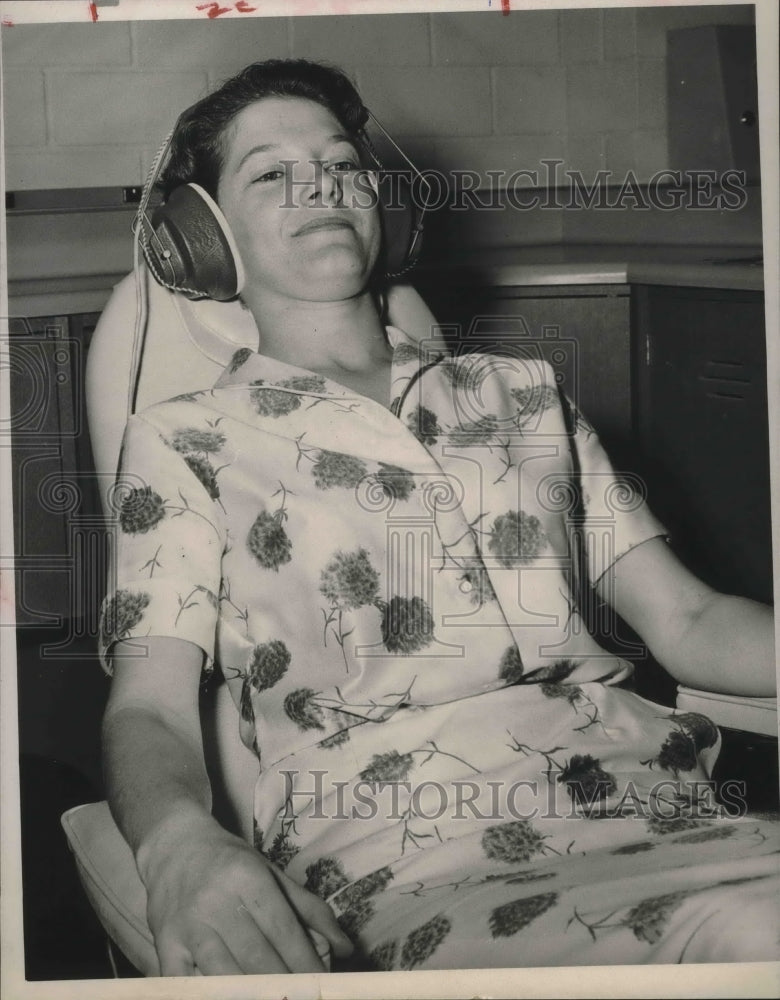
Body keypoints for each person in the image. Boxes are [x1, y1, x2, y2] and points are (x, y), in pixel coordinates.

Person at [100, 59, 779, 977]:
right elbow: (150, 705)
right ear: (201, 235)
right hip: (410, 850)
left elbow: (690, 621)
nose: (323, 187)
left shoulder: (520, 392)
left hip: (648, 800)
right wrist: (177, 843)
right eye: (270, 173)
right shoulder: (185, 440)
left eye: (343, 164)